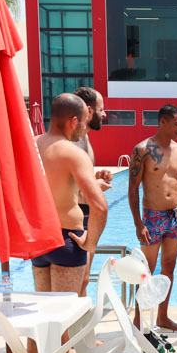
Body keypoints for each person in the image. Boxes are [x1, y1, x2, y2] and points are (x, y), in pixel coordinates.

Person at [21, 93, 107, 353]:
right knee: (61, 316)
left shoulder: (31, 145)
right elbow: (99, 206)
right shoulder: (72, 153)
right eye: (83, 121)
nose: (84, 126)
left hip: (38, 238)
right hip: (68, 240)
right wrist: (90, 241)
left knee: (40, 315)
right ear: (73, 121)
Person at [128, 104, 177, 331]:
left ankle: (162, 317)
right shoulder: (142, 150)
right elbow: (133, 188)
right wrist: (138, 223)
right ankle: (138, 319)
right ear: (162, 122)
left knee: (169, 267)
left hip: (176, 215)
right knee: (146, 269)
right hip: (152, 217)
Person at [73, 86, 113, 298]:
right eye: (101, 109)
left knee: (84, 278)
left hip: (86, 215)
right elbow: (69, 187)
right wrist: (95, 188)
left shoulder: (84, 138)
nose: (104, 114)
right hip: (77, 215)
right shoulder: (74, 142)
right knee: (79, 279)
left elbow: (80, 177)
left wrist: (95, 176)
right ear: (88, 111)